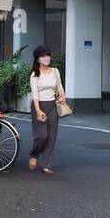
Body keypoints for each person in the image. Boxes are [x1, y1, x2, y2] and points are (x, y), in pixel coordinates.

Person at [28, 45, 66, 175]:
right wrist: (38, 110)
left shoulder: (55, 71)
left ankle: (46, 165)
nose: (46, 58)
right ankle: (34, 154)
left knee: (51, 137)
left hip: (52, 106)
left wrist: (62, 97)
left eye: (48, 55)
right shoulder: (35, 74)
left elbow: (59, 86)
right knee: (42, 136)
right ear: (37, 59)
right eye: (43, 56)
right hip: (39, 105)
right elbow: (35, 95)